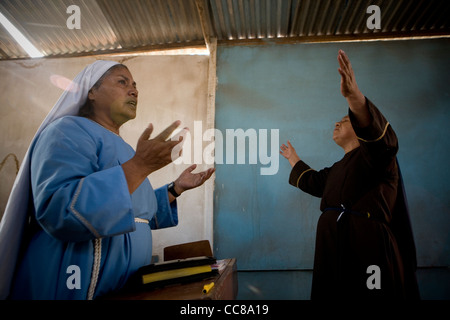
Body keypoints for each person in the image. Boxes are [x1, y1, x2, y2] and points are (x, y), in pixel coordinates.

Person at [0, 60, 214, 300]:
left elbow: (137, 215)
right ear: (91, 91)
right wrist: (140, 166)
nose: (134, 90)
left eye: (135, 85)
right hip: (67, 287)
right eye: (122, 82)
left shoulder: (126, 150)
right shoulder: (66, 130)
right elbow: (60, 211)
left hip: (121, 290)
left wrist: (176, 188)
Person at [280, 50, 419, 299]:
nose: (337, 123)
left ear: (360, 128)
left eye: (345, 120)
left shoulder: (379, 158)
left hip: (367, 248)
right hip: (332, 249)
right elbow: (314, 181)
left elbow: (382, 140)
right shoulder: (338, 168)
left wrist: (354, 98)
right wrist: (293, 158)